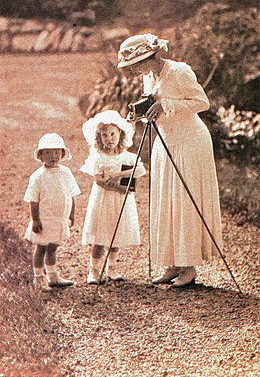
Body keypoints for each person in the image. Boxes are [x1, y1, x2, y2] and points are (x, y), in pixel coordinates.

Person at [117, 33, 222, 287]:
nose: (134, 70)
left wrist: (166, 105)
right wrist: (144, 112)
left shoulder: (179, 71)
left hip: (190, 142)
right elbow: (156, 103)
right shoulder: (148, 76)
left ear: (151, 56)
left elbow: (202, 103)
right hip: (165, 142)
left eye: (137, 63)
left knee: (186, 200)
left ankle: (189, 267)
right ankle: (173, 263)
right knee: (167, 199)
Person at [80, 110, 146, 284]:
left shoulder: (127, 156)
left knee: (117, 233)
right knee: (100, 236)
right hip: (103, 199)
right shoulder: (99, 157)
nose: (109, 139)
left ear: (120, 134)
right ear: (99, 138)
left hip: (120, 199)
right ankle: (93, 270)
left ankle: (112, 267)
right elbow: (99, 179)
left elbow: (140, 170)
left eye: (112, 134)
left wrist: (118, 176)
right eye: (104, 136)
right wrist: (111, 183)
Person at [24, 133, 81, 292]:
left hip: (59, 218)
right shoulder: (38, 176)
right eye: (48, 152)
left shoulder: (66, 172)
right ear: (41, 155)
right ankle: (38, 278)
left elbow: (71, 194)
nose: (53, 156)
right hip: (45, 218)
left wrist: (71, 214)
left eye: (57, 152)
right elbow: (33, 200)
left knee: (53, 247)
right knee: (41, 247)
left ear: (62, 154)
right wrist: (35, 219)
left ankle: (53, 275)